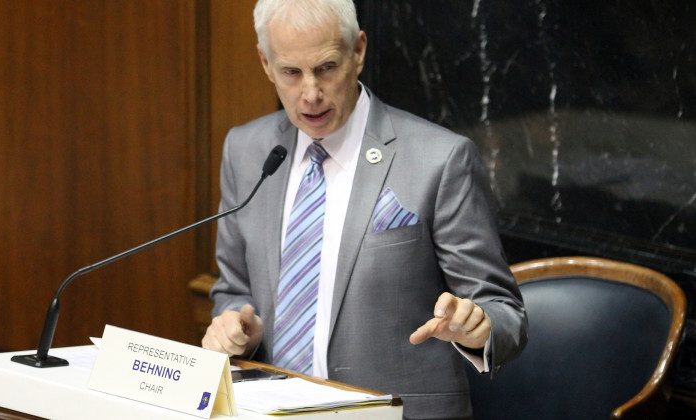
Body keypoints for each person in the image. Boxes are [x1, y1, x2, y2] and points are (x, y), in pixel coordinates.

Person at [202, 0, 527, 418]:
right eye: (291, 72)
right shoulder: (246, 150)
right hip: (265, 409)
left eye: (326, 68)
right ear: (265, 62)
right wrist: (236, 327)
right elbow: (232, 289)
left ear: (358, 51)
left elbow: (506, 314)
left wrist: (476, 328)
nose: (311, 93)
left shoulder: (440, 160)